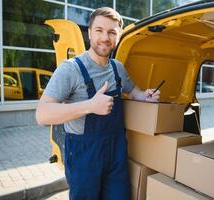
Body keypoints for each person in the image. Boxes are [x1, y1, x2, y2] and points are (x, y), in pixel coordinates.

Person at [36, 7, 160, 200]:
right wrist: (90, 106)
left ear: (118, 36)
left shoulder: (118, 68)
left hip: (116, 151)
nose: (105, 37)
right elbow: (42, 114)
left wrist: (145, 96)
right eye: (99, 30)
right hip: (83, 155)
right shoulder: (71, 69)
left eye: (112, 32)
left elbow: (133, 91)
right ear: (90, 33)